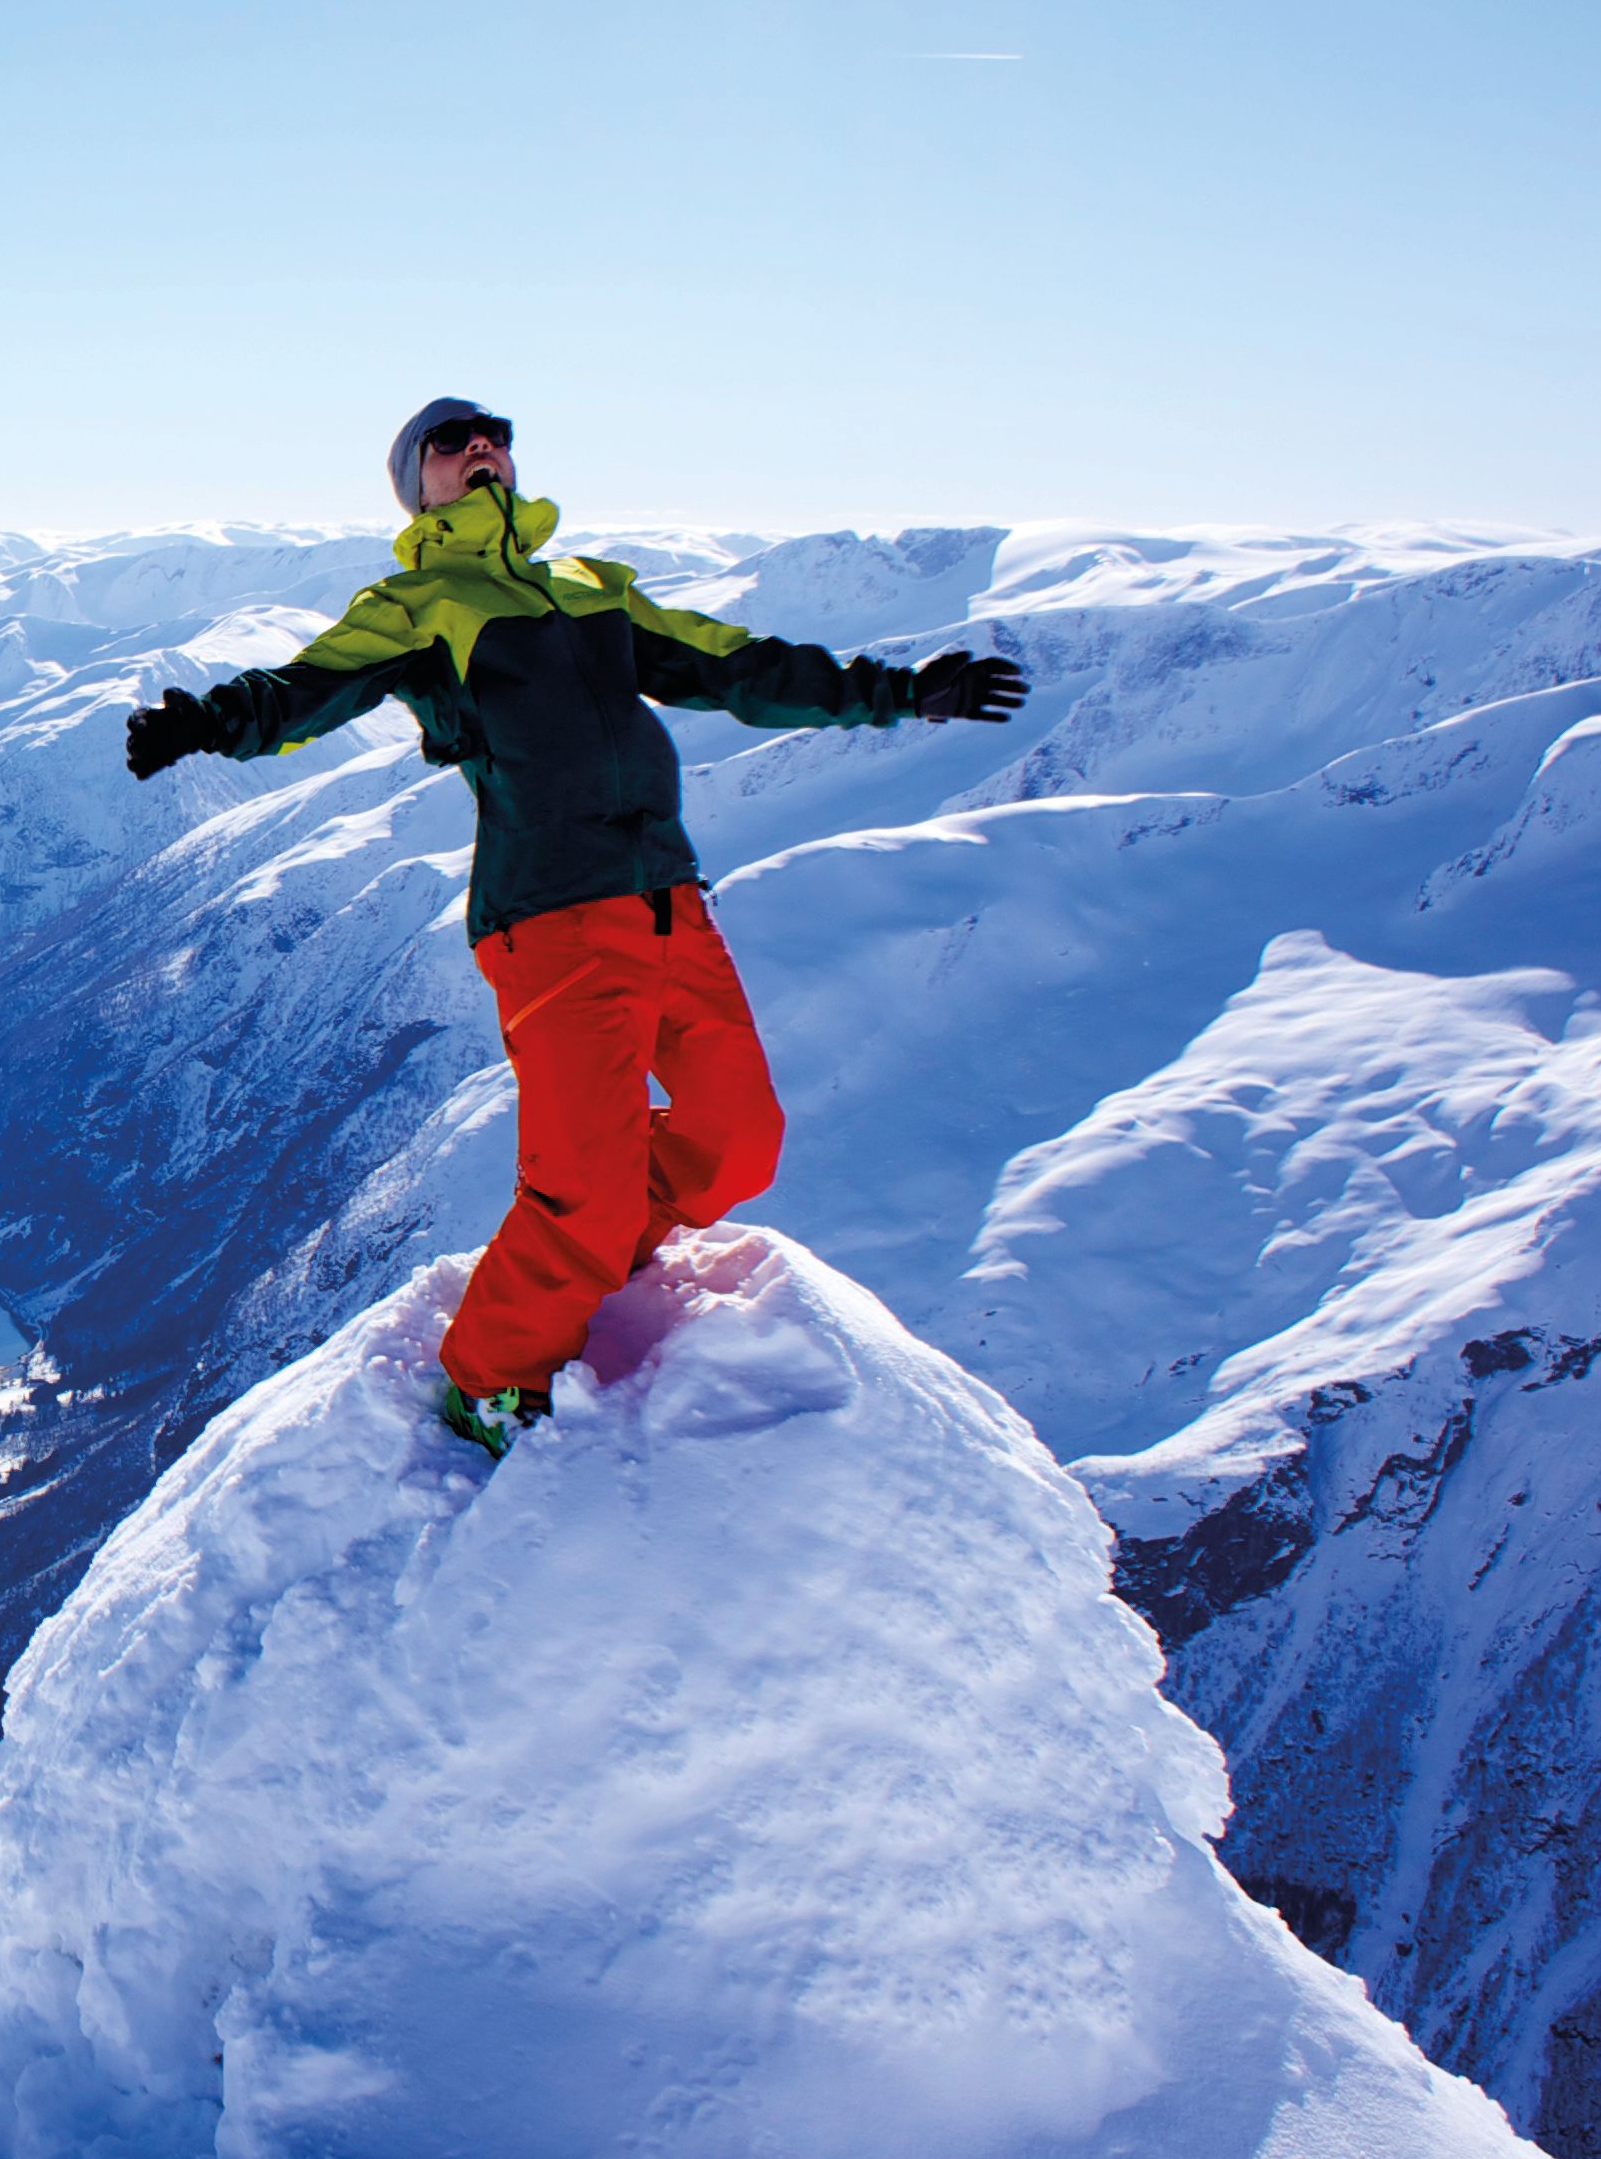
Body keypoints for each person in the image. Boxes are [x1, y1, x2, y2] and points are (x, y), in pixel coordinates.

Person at [123, 398, 1026, 1456]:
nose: (479, 449)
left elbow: (740, 665)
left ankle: (602, 1243)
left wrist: (905, 693)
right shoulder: (420, 603)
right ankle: (490, 1378)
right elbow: (306, 688)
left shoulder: (592, 589)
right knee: (578, 1181)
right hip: (548, 916)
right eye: (448, 443)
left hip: (665, 899)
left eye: (492, 434)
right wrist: (207, 723)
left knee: (738, 1137)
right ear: (416, 487)